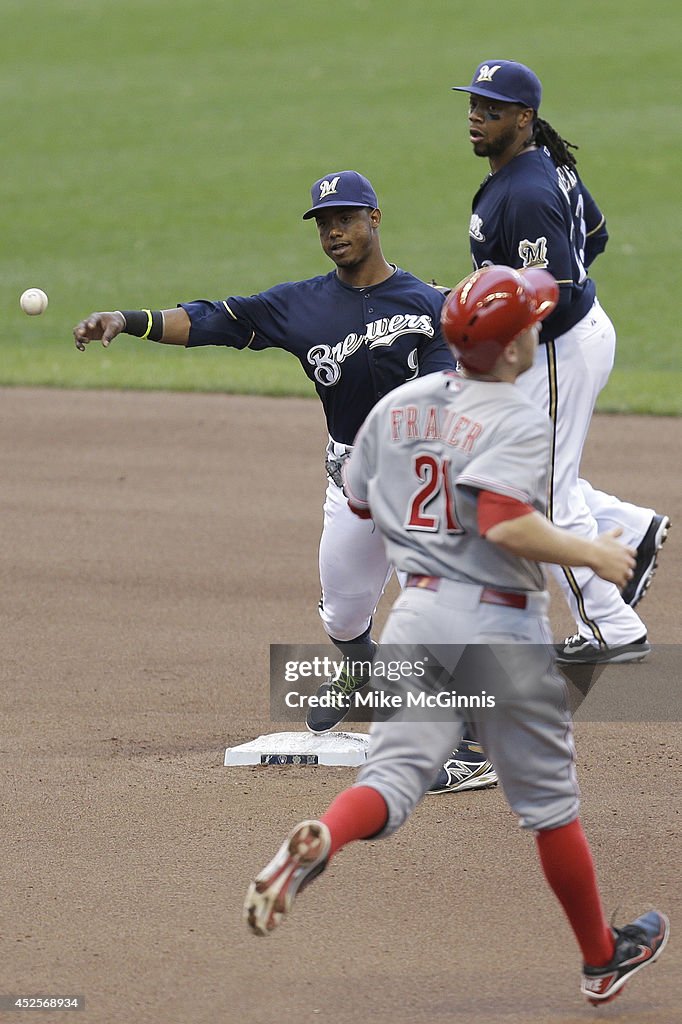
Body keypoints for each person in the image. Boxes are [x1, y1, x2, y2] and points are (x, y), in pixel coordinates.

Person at [243, 265, 669, 1007]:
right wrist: (595, 552)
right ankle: (601, 958)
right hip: (497, 624)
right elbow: (504, 520)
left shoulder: (397, 406)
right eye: (531, 324)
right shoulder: (518, 417)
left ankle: (326, 839)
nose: (539, 329)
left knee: (393, 778)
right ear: (511, 352)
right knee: (549, 806)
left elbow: (363, 505)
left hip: (416, 620)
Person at [72, 169, 495, 793]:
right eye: (325, 223)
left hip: (417, 485)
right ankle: (364, 675)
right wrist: (129, 319)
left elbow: (451, 382)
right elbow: (214, 320)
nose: (334, 232)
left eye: (346, 219)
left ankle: (466, 745)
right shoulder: (299, 305)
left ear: (374, 219)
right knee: (344, 612)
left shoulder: (427, 303)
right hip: (351, 484)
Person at [450, 59, 670, 663]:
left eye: (491, 109)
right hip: (567, 345)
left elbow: (563, 290)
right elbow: (593, 233)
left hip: (557, 351)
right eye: (472, 104)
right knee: (532, 472)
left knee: (541, 495)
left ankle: (609, 628)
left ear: (524, 119)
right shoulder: (537, 166)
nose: (476, 117)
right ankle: (629, 529)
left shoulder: (526, 190)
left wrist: (495, 331)